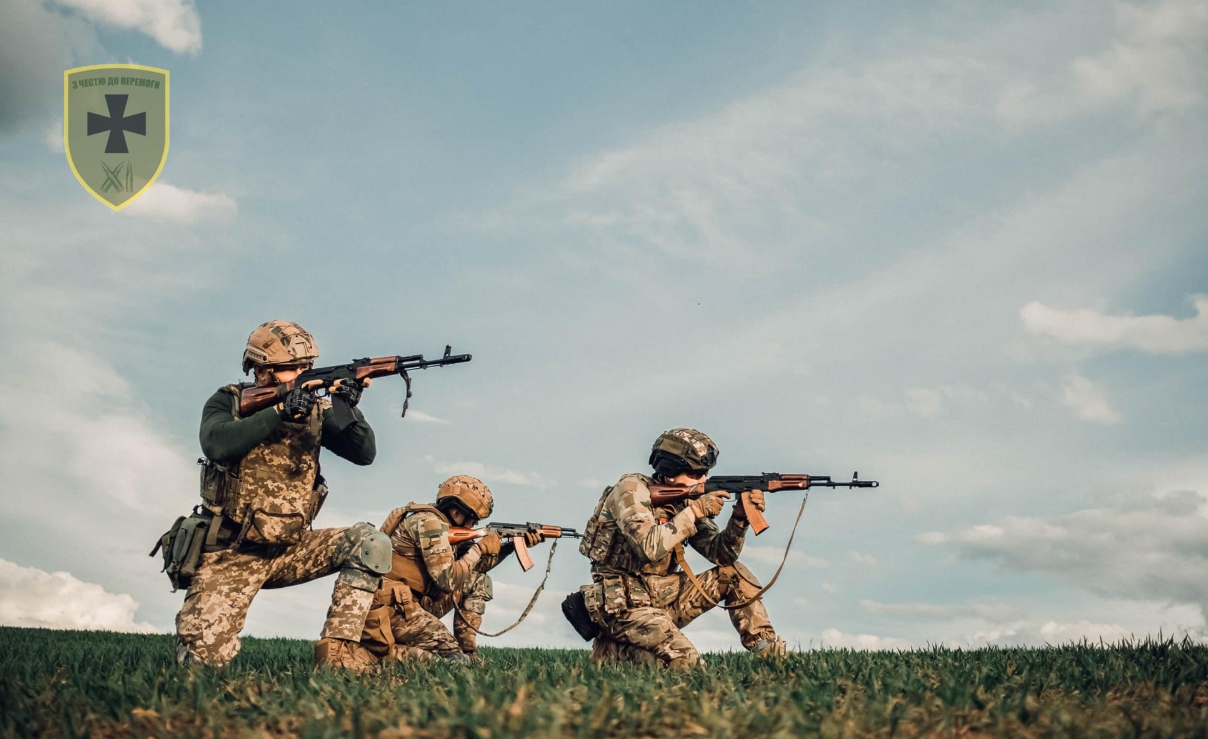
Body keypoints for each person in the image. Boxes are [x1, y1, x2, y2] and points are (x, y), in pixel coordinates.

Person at [174, 320, 391, 669]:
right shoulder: (228, 400)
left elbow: (364, 454)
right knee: (201, 665)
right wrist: (280, 410)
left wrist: (348, 406)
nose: (302, 373)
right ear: (261, 370)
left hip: (292, 549)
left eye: (305, 367)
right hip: (233, 553)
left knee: (370, 542)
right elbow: (217, 444)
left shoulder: (316, 411)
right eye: (292, 368)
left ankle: (340, 659)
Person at [575, 428, 786, 668]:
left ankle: (771, 657)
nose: (703, 479)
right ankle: (616, 652)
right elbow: (649, 547)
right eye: (696, 473)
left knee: (733, 573)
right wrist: (695, 511)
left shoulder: (683, 502)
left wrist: (739, 519)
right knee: (689, 666)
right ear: (669, 470)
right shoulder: (631, 490)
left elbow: (721, 555)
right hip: (623, 604)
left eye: (705, 473)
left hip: (661, 596)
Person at [359, 475, 545, 663]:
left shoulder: (445, 527)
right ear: (456, 512)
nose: (475, 525)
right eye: (473, 519)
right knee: (450, 657)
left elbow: (475, 566)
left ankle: (469, 652)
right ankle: (379, 656)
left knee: (477, 580)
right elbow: (448, 580)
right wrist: (480, 548)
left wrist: (511, 546)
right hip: (391, 609)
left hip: (414, 602)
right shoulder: (429, 524)